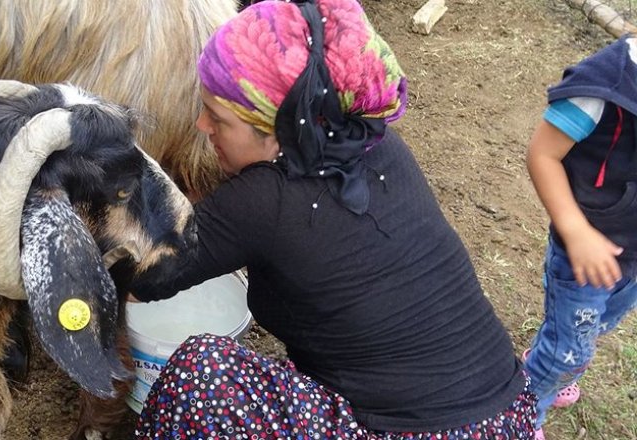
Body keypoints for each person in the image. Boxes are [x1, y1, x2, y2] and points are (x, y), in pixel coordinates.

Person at [127, 0, 537, 438]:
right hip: (506, 413)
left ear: (280, 131)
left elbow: (146, 278)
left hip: (416, 432)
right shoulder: (381, 147)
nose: (201, 124)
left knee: (201, 375)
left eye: (220, 119)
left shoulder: (262, 201)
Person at [524, 35, 637, 440]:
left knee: (596, 325)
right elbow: (543, 154)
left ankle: (558, 357)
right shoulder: (608, 84)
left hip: (630, 258)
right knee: (567, 350)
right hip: (585, 254)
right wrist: (575, 231)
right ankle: (521, 415)